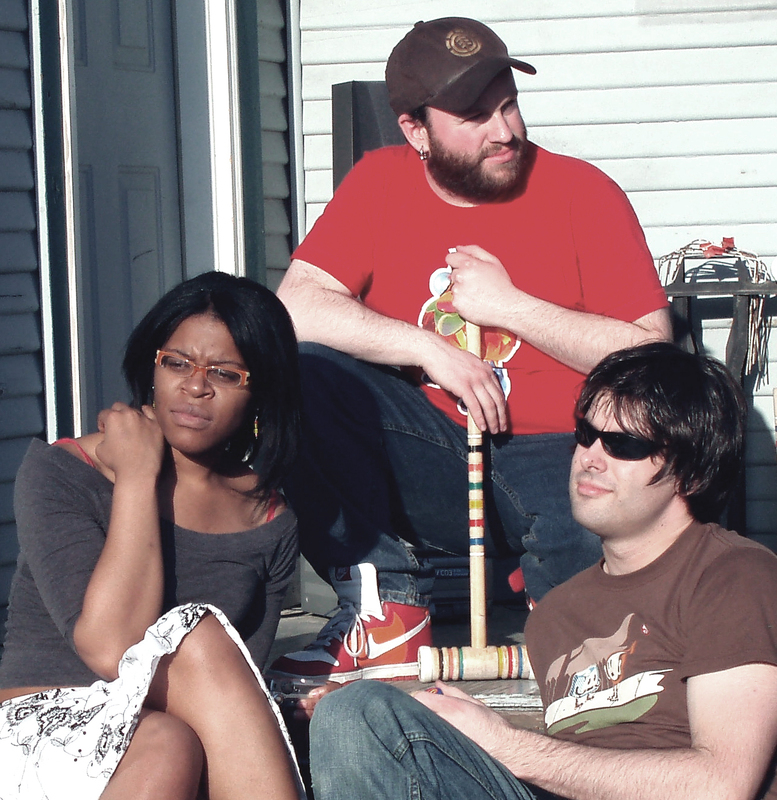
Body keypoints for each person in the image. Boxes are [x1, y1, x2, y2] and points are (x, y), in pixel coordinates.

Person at [271, 17, 672, 683]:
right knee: (297, 373)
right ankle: (388, 613)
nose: (504, 130)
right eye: (474, 116)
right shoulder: (380, 182)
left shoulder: (583, 193)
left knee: (588, 656)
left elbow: (653, 354)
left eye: (508, 104)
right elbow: (295, 305)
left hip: (563, 454)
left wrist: (510, 307)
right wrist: (427, 349)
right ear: (415, 130)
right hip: (433, 453)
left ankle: (559, 606)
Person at [308, 341, 777, 800]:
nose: (589, 457)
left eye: (623, 444)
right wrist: (449, 728)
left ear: (692, 473)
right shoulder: (556, 614)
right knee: (354, 713)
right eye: (585, 434)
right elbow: (570, 766)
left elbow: (722, 785)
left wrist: (506, 744)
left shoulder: (733, 575)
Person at [0, 272, 307, 800]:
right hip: (41, 730)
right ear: (152, 367)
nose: (195, 386)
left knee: (181, 717)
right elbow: (111, 646)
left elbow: (236, 688)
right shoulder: (63, 472)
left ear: (261, 391)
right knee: (173, 719)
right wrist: (139, 477)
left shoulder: (269, 518)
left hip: (177, 735)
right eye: (177, 363)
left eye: (226, 374)